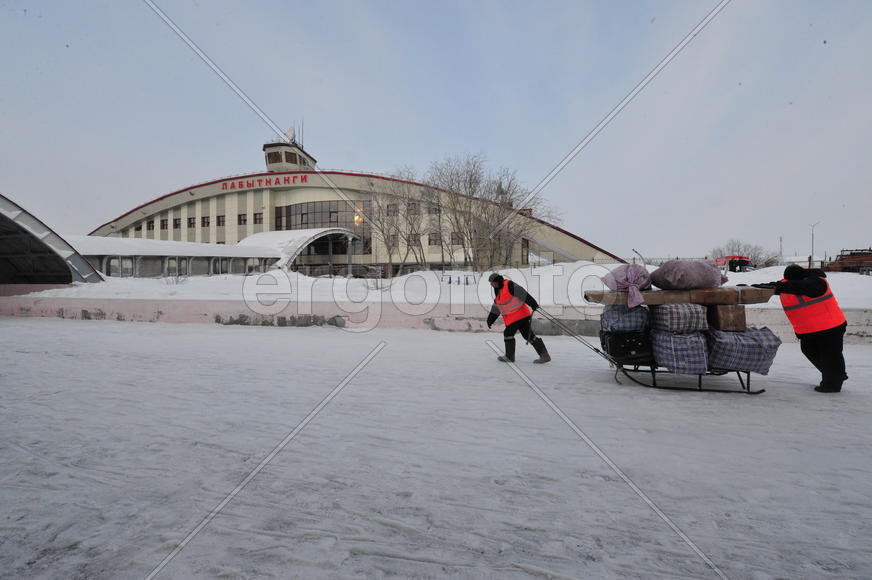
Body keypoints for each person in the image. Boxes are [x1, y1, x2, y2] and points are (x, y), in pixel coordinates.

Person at [753, 264, 847, 393]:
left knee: (830, 355)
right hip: (809, 330)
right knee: (809, 350)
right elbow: (775, 285)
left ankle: (832, 384)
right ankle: (836, 374)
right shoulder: (787, 284)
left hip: (831, 326)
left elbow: (806, 287)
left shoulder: (817, 281)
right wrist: (751, 287)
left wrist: (779, 287)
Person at [486, 273, 551, 364]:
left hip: (518, 315)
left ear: (497, 281)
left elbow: (523, 293)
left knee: (508, 333)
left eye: (492, 282)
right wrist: (490, 320)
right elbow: (496, 307)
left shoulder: (509, 285)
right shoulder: (498, 291)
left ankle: (509, 357)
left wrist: (533, 304)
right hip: (519, 316)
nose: (491, 284)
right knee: (528, 335)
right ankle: (544, 355)